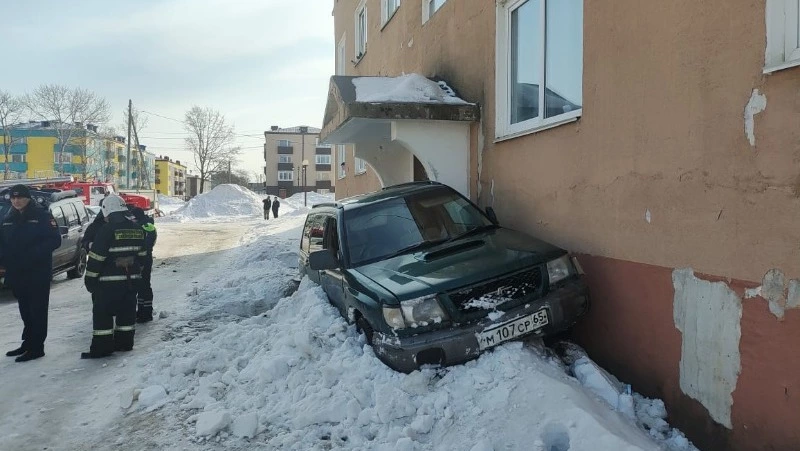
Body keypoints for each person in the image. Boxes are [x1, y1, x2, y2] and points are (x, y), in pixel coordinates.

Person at [81, 194, 147, 359]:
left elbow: (96, 258)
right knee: (127, 313)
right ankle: (124, 343)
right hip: (131, 282)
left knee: (103, 315)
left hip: (107, 284)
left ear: (107, 211)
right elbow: (143, 256)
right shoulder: (138, 229)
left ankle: (102, 348)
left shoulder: (106, 230)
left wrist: (90, 280)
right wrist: (135, 272)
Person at [1, 184, 61, 362]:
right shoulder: (7, 217)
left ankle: (37, 347)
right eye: (13, 198)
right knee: (25, 309)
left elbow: (54, 240)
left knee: (37, 310)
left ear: (28, 198)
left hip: (37, 272)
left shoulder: (41, 215)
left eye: (20, 197)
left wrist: (33, 254)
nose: (16, 201)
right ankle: (27, 342)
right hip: (17, 272)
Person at [82, 203, 156, 324]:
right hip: (132, 268)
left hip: (118, 272)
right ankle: (143, 313)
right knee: (138, 291)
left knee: (135, 292)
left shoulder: (111, 228)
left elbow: (146, 244)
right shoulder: (99, 227)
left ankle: (143, 312)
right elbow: (86, 242)